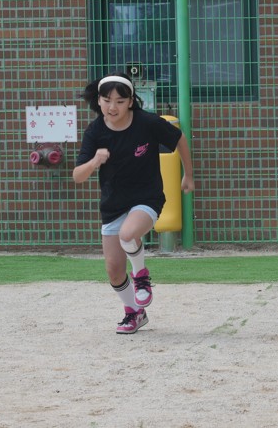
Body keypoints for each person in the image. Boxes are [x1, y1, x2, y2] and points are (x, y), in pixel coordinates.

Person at [73, 73, 195, 334]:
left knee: (129, 234)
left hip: (147, 198)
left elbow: (179, 138)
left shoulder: (147, 123)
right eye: (107, 101)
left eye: (119, 100)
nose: (112, 107)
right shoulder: (95, 132)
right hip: (113, 203)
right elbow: (77, 176)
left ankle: (141, 276)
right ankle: (134, 313)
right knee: (114, 272)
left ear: (130, 101)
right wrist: (94, 162)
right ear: (99, 101)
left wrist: (189, 174)